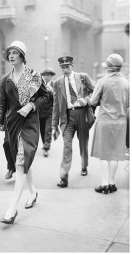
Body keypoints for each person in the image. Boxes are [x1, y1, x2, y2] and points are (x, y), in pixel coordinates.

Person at [0, 40, 52, 224]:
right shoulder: (5, 80)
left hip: (30, 124)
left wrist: (32, 105)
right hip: (12, 125)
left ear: (22, 55)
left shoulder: (34, 76)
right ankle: (33, 192)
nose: (11, 55)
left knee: (21, 161)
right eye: (9, 52)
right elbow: (0, 103)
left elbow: (45, 96)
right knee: (22, 159)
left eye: (15, 52)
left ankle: (11, 210)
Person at [52, 56, 95, 188]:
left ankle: (84, 165)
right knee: (67, 146)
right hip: (67, 117)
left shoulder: (83, 77)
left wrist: (86, 99)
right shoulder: (58, 83)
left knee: (83, 143)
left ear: (72, 66)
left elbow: (95, 92)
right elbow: (56, 104)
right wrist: (54, 124)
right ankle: (64, 177)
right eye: (63, 67)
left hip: (82, 114)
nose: (65, 70)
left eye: (67, 67)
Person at [90, 54, 129, 194]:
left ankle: (104, 183)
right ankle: (112, 183)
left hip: (105, 120)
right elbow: (128, 104)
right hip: (120, 121)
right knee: (115, 153)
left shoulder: (102, 82)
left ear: (109, 68)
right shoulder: (126, 83)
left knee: (104, 154)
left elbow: (93, 101)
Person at [39, 67, 55, 157]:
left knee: (48, 129)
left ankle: (46, 147)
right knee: (42, 130)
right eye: (44, 75)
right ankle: (44, 143)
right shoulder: (39, 84)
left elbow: (59, 98)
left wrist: (52, 91)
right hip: (40, 111)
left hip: (50, 111)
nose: (46, 77)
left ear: (51, 76)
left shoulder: (55, 85)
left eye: (48, 75)